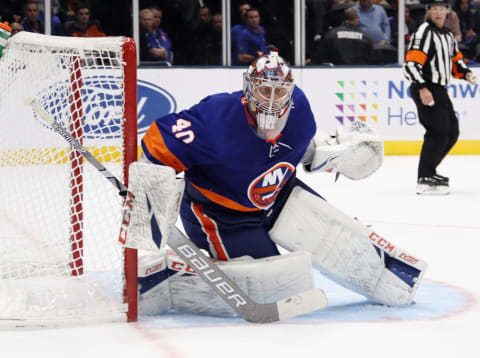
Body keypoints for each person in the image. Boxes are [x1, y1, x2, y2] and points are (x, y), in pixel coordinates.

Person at [136, 51, 426, 316]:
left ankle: (390, 280)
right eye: (264, 90)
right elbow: (156, 142)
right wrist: (150, 195)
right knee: (277, 289)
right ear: (248, 89)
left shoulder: (300, 108)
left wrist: (334, 155)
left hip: (280, 194)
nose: (272, 99)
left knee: (343, 243)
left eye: (280, 91)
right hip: (221, 213)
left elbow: (298, 148)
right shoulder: (216, 118)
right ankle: (167, 277)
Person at [403, 0, 477, 195]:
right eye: (434, 9)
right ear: (428, 12)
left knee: (452, 132)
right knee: (437, 131)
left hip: (440, 89)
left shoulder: (447, 35)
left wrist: (466, 73)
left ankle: (430, 170)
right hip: (426, 87)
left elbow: (455, 60)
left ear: (447, 11)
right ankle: (424, 176)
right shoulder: (424, 32)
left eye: (441, 9)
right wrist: (422, 88)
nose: (437, 12)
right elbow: (411, 64)